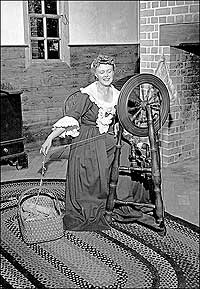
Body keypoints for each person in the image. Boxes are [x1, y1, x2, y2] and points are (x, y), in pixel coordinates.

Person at [40, 54, 165, 234]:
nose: (106, 75)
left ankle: (125, 198)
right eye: (102, 72)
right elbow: (72, 118)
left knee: (128, 151)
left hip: (106, 137)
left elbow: (125, 120)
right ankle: (100, 200)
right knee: (98, 164)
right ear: (95, 75)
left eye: (109, 71)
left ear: (114, 72)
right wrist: (50, 137)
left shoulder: (118, 95)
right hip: (87, 139)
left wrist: (134, 137)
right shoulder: (87, 95)